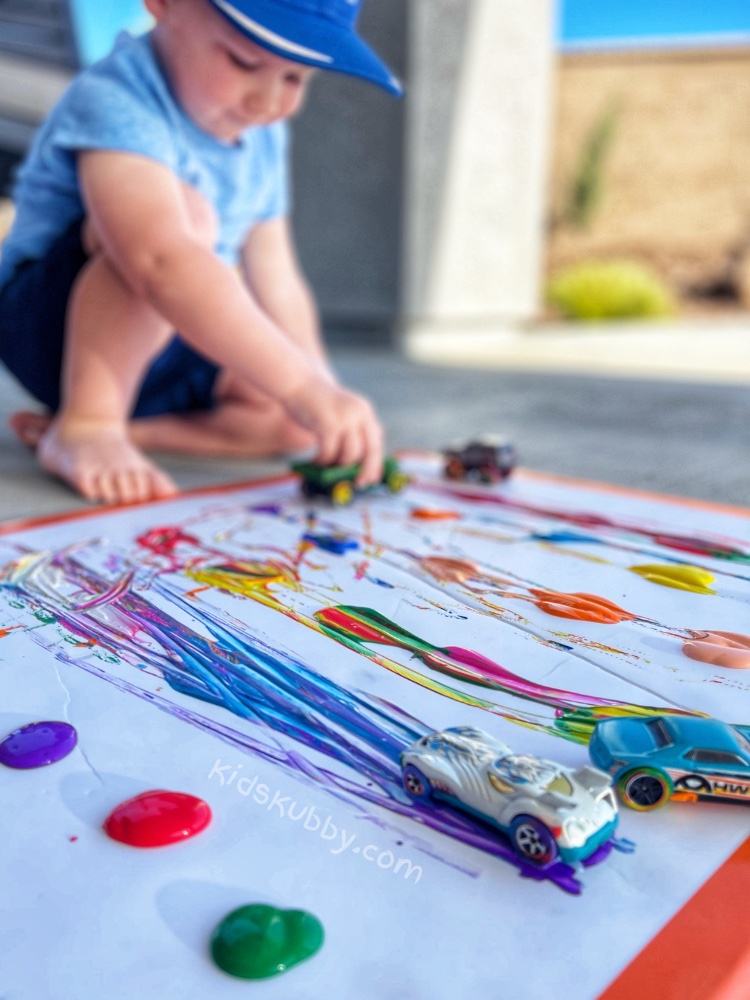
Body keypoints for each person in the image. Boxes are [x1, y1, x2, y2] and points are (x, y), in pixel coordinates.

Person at [0, 0, 402, 504]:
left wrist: (323, 391)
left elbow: (276, 278)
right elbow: (159, 261)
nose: (266, 101)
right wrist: (304, 388)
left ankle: (127, 431)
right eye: (245, 62)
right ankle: (88, 423)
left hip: (163, 343)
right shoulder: (117, 96)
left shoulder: (264, 136)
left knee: (293, 422)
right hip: (49, 331)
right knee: (185, 220)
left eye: (296, 78)